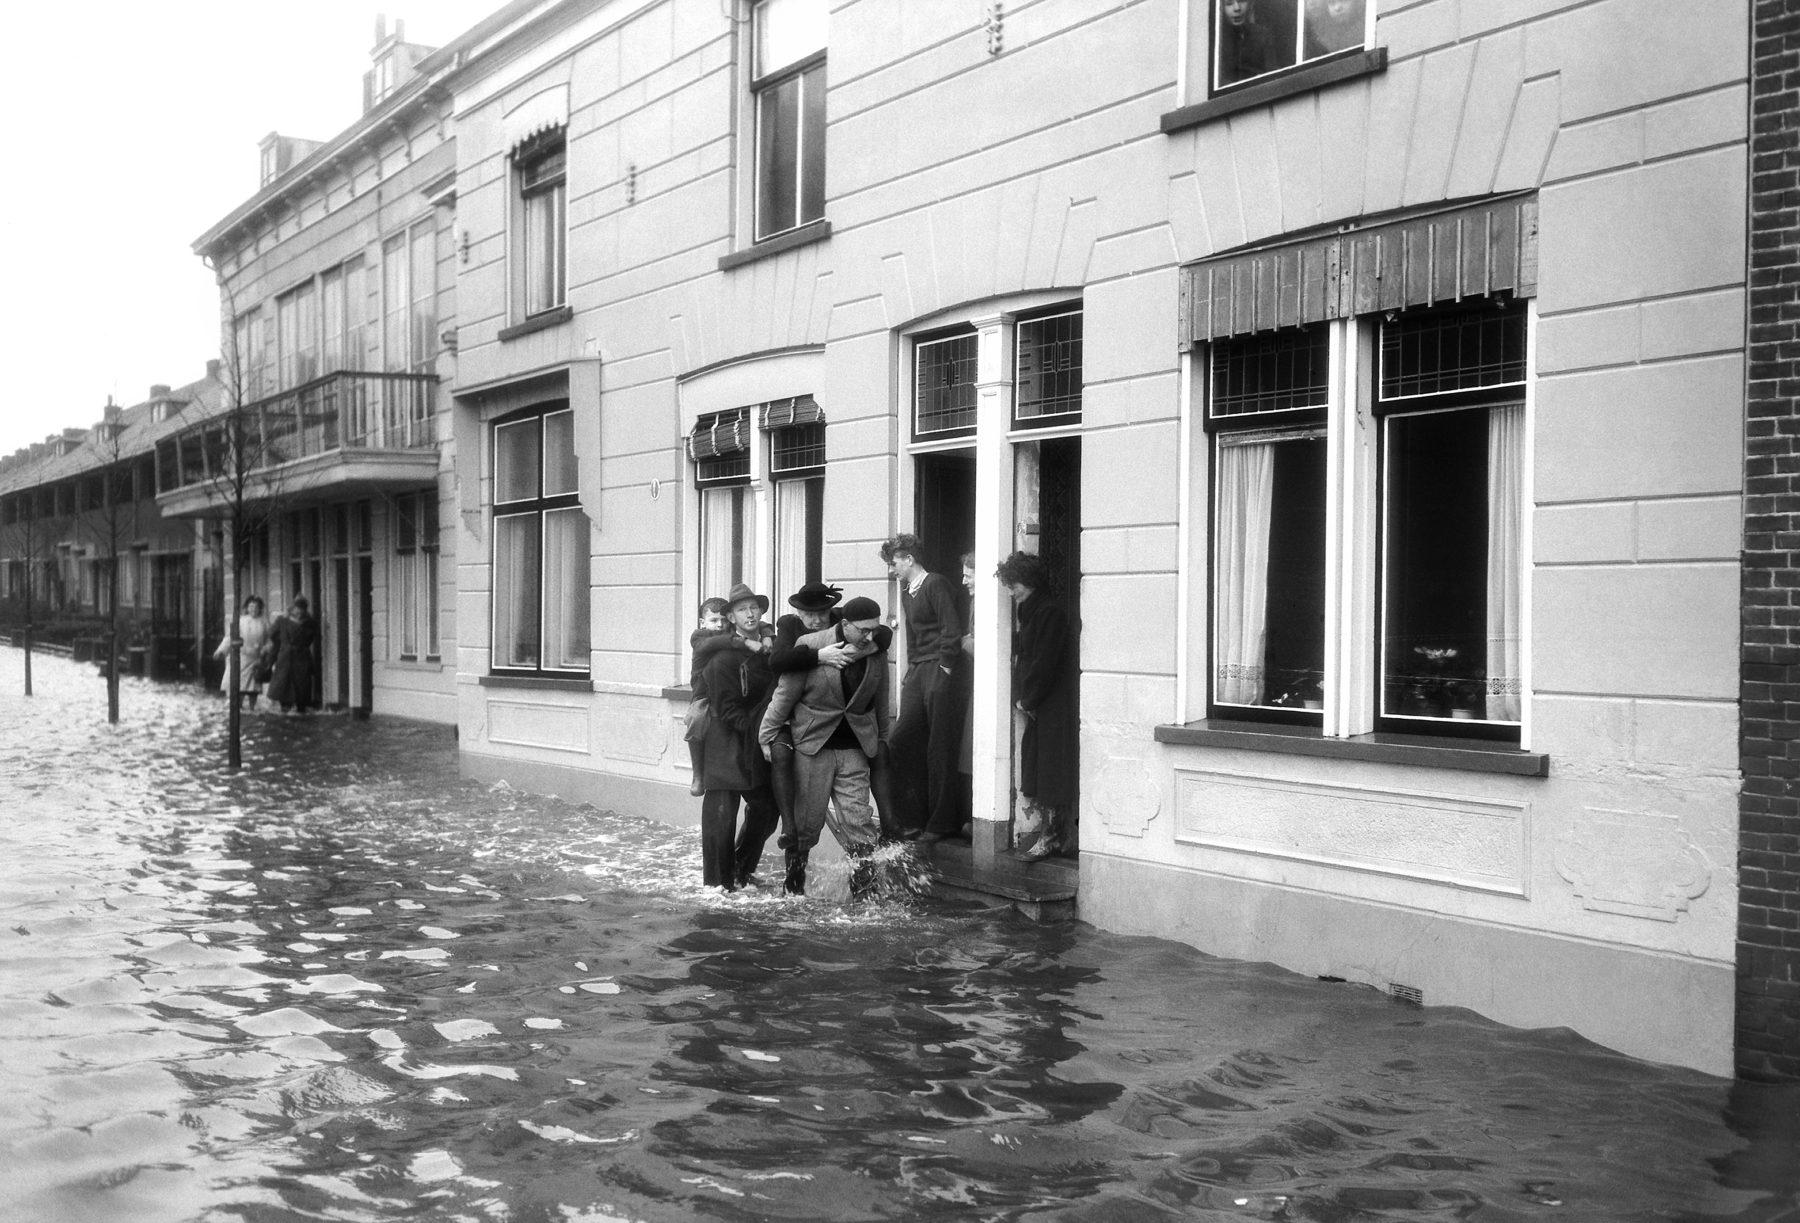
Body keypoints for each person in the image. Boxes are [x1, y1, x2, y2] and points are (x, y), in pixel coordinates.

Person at [758, 596, 891, 896]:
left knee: (860, 823)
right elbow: (784, 695)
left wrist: (881, 738)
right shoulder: (811, 644)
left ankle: (865, 896)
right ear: (844, 625)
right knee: (806, 826)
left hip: (855, 748)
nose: (871, 636)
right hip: (812, 746)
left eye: (875, 629)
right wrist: (766, 735)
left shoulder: (875, 649)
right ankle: (793, 889)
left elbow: (880, 699)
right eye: (864, 630)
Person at [880, 534, 967, 843]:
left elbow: (951, 628)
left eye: (894, 564)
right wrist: (912, 670)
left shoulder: (936, 584)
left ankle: (943, 822)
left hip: (940, 670)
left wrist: (944, 667)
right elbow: (914, 636)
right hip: (919, 671)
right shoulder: (907, 591)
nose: (892, 570)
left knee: (940, 745)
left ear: (909, 559)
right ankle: (910, 818)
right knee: (899, 739)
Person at [695, 583, 781, 891]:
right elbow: (726, 708)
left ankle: (741, 869)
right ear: (731, 617)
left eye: (754, 608)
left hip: (755, 741)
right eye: (742, 609)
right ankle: (718, 884)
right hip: (724, 741)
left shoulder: (767, 648)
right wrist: (758, 730)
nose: (750, 613)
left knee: (767, 809)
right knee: (722, 816)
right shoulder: (722, 655)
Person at [997, 551, 1079, 860]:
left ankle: (1054, 837)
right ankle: (1050, 835)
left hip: (1053, 702)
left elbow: (1045, 661)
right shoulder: (1032, 611)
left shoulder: (1049, 612)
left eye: (1013, 584)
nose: (1010, 591)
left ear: (1029, 581)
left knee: (1052, 770)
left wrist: (1029, 698)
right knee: (1040, 768)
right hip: (1039, 703)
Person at [685, 597, 731, 796]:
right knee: (696, 718)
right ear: (703, 623)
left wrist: (765, 633)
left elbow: (760, 626)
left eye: (724, 620)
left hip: (728, 693)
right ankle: (697, 774)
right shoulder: (699, 637)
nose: (719, 625)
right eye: (714, 620)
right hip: (704, 695)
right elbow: (716, 642)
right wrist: (741, 640)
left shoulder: (731, 634)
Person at [213, 595, 272, 711]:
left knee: (254, 687)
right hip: (241, 657)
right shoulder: (241, 621)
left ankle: (252, 708)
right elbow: (230, 637)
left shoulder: (265, 623)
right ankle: (238, 708)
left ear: (260, 608)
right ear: (247, 608)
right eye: (251, 606)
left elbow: (270, 640)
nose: (253, 609)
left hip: (256, 658)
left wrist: (266, 649)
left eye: (256, 607)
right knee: (239, 685)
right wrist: (220, 651)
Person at [265, 596, 320, 715]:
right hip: (285, 657)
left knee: (302, 683)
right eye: (296, 609)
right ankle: (285, 708)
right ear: (292, 608)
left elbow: (312, 637)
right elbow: (272, 634)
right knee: (284, 682)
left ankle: (301, 708)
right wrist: (278, 646)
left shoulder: (310, 623)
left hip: (301, 657)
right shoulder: (282, 620)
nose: (298, 612)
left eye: (301, 610)